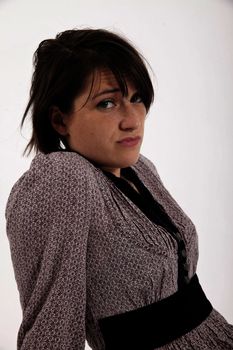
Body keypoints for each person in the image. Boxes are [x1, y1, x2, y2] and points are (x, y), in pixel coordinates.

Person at [5, 28, 233, 350]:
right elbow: (50, 331)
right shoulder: (61, 178)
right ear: (59, 120)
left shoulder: (140, 168)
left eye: (136, 98)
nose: (132, 120)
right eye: (107, 103)